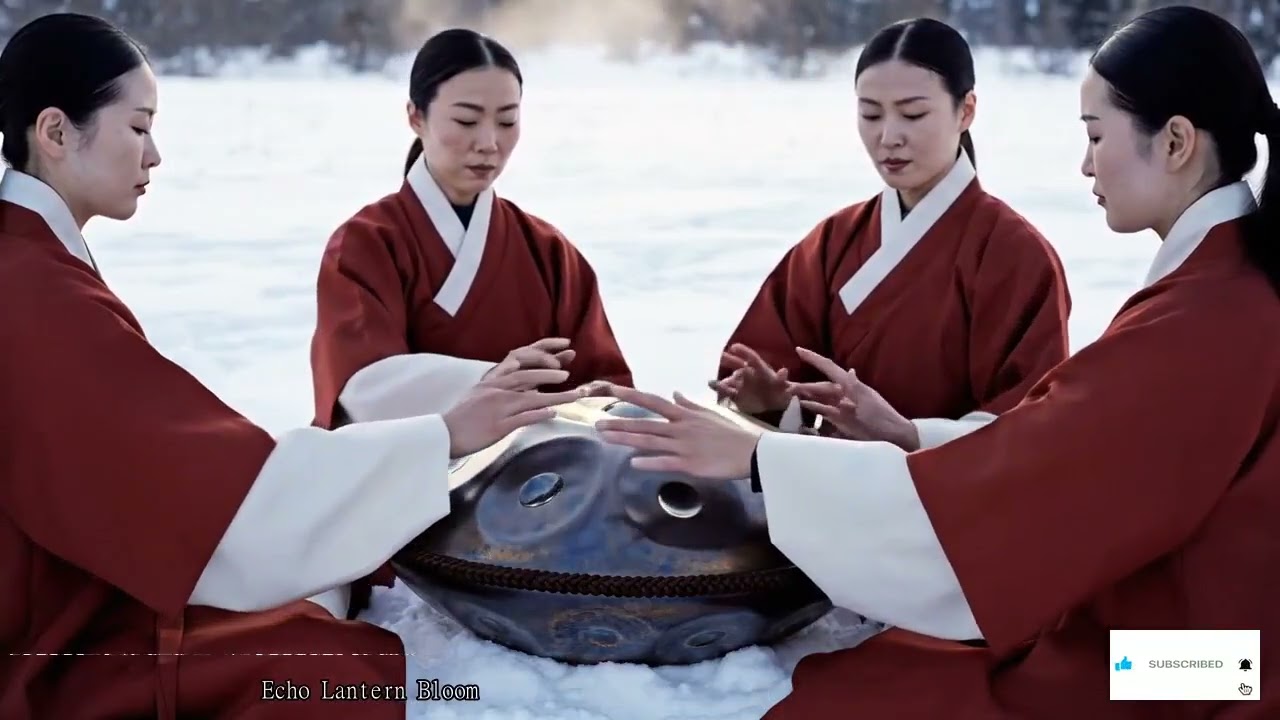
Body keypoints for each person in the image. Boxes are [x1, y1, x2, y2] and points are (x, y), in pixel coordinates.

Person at [594, 6, 1280, 719]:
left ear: (1174, 142)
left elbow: (1030, 475)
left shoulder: (1203, 315)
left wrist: (767, 458)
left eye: (1095, 135)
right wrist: (895, 436)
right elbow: (1051, 451)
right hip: (1214, 643)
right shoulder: (1223, 289)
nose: (1084, 163)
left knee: (900, 695)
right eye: (870, 114)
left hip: (1224, 666)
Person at [0, 14, 578, 720]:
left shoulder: (550, 250)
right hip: (44, 637)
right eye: (138, 128)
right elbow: (223, 483)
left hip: (78, 592)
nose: (154, 157)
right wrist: (448, 428)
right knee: (331, 672)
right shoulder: (33, 290)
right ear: (56, 133)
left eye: (508, 121)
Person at [712, 18, 1071, 451]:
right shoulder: (832, 243)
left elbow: (1033, 423)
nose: (888, 137)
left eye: (913, 114)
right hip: (824, 497)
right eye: (870, 114)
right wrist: (771, 406)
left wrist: (911, 435)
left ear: (966, 111)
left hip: (948, 507)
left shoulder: (1014, 254)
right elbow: (762, 368)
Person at [309, 27, 634, 432]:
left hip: (540, 478)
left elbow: (604, 391)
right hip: (412, 478)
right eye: (466, 120)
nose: (488, 142)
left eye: (507, 121)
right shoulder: (368, 243)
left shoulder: (549, 251)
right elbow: (362, 389)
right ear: (416, 117)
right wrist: (492, 381)